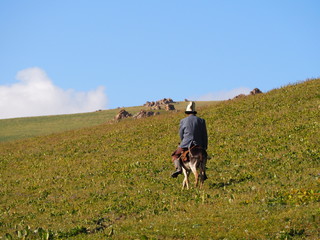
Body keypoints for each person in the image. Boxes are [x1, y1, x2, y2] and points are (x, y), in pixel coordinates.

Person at [171, 101, 208, 178]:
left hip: (186, 143)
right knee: (204, 154)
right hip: (199, 143)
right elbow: (204, 134)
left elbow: (181, 133)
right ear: (194, 112)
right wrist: (204, 146)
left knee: (175, 155)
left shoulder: (183, 121)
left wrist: (182, 142)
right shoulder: (201, 120)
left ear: (187, 113)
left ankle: (178, 169)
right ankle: (203, 169)